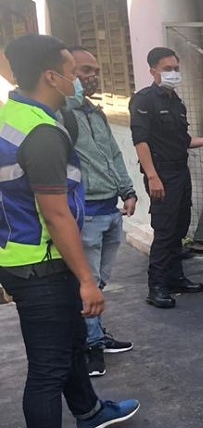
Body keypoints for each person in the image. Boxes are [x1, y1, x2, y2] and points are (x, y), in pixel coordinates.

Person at [0, 34, 139, 428]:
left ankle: (90, 412)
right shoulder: (40, 133)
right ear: (51, 77)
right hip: (40, 263)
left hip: (25, 257)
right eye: (70, 69)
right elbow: (55, 213)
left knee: (73, 339)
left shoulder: (15, 116)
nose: (78, 79)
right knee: (48, 366)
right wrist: (87, 280)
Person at [129, 46, 203, 309]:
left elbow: (183, 141)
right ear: (153, 71)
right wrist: (152, 176)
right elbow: (141, 141)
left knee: (180, 227)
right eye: (167, 69)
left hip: (180, 172)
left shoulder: (176, 102)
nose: (173, 73)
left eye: (176, 68)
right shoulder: (144, 101)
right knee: (164, 231)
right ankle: (157, 286)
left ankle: (175, 277)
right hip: (161, 174)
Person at [65, 46, 136, 378]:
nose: (92, 76)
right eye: (85, 71)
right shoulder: (62, 116)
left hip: (110, 210)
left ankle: (94, 333)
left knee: (99, 281)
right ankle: (91, 345)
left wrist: (128, 190)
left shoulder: (96, 113)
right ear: (67, 75)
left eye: (95, 71)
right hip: (87, 212)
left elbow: (113, 155)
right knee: (89, 282)